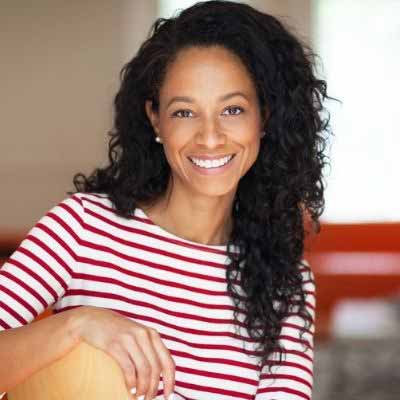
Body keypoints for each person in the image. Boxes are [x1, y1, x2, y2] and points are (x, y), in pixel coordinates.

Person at [0, 1, 332, 399]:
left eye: (232, 109)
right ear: (156, 119)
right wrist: (75, 326)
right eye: (184, 113)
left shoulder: (286, 284)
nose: (210, 137)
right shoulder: (82, 228)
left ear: (265, 118)